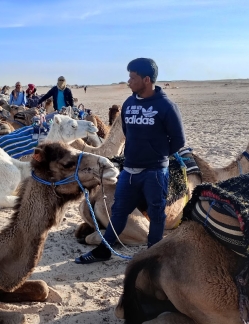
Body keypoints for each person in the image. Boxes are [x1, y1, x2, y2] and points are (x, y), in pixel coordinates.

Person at [75, 58, 186, 264]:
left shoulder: (166, 106)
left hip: (155, 172)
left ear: (146, 79)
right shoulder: (129, 104)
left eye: (132, 77)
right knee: (119, 211)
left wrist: (156, 155)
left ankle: (153, 255)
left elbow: (178, 140)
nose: (128, 81)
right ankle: (104, 251)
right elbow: (127, 131)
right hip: (129, 171)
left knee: (156, 214)